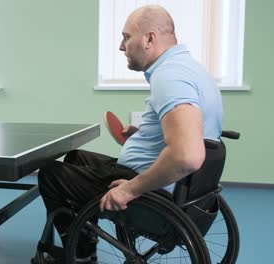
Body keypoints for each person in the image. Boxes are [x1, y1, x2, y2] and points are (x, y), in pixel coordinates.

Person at [37, 4, 223, 263]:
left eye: (126, 37)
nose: (121, 47)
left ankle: (81, 254)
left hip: (153, 191)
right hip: (180, 187)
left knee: (51, 174)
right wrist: (144, 135)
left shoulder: (170, 77)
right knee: (76, 158)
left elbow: (187, 155)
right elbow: (193, 131)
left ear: (149, 38)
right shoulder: (190, 68)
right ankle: (85, 239)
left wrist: (130, 191)